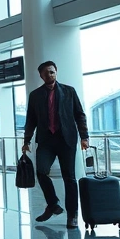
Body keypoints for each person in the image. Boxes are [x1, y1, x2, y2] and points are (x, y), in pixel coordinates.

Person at [22, 61, 89, 229]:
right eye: (46, 73)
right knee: (41, 172)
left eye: (52, 72)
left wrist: (84, 137)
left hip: (66, 140)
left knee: (70, 178)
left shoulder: (69, 91)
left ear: (56, 72)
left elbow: (79, 115)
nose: (50, 75)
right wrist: (26, 140)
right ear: (41, 76)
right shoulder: (35, 95)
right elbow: (31, 120)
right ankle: (52, 204)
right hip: (46, 140)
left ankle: (72, 215)